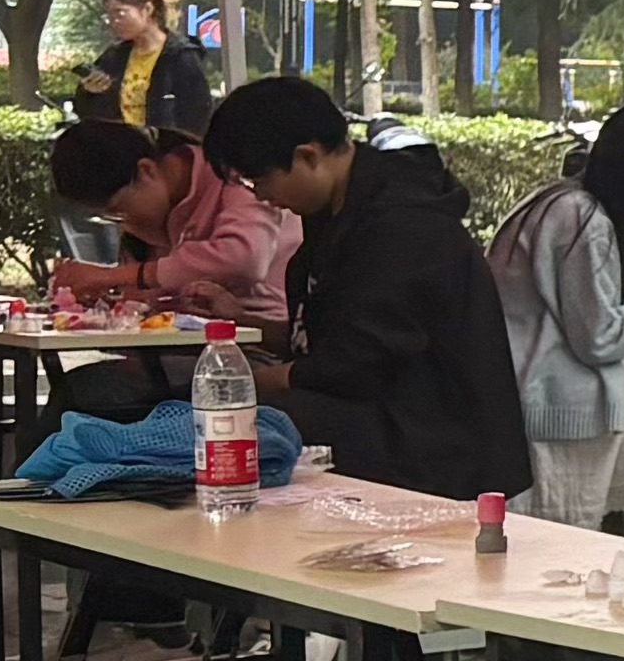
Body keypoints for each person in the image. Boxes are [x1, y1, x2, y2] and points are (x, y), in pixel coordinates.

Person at [201, 78, 537, 503]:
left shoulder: (401, 222)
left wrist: (253, 381)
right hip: (390, 425)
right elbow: (330, 333)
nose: (263, 197)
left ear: (308, 156)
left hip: (435, 449)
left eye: (259, 181)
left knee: (249, 422)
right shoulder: (337, 210)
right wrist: (244, 324)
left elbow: (362, 356)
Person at [490, 102, 624, 533]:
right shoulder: (583, 220)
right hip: (557, 398)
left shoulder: (552, 200)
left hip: (528, 387)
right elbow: (599, 338)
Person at [48, 114, 294, 333]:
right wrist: (107, 298)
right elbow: (161, 293)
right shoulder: (162, 212)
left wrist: (113, 276)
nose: (123, 224)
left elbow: (242, 259)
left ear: (146, 170)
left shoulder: (230, 177)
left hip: (265, 338)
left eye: (118, 211)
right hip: (189, 343)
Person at [65, 0, 211, 137]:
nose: (114, 22)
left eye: (120, 13)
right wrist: (88, 92)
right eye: (109, 16)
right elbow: (89, 114)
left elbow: (197, 113)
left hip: (166, 147)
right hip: (122, 146)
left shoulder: (180, 56)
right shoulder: (114, 56)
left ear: (147, 9)